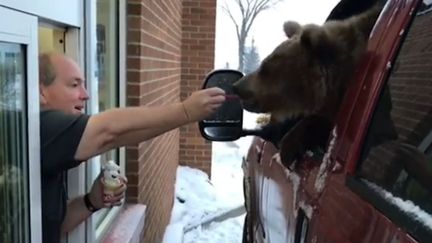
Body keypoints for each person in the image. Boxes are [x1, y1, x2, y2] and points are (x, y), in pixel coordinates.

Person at [38, 52, 226, 243]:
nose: (85, 95)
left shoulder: (48, 147)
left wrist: (91, 202)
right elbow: (109, 133)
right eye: (74, 85)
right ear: (41, 92)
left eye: (84, 85)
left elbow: (54, 225)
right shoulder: (41, 128)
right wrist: (185, 111)